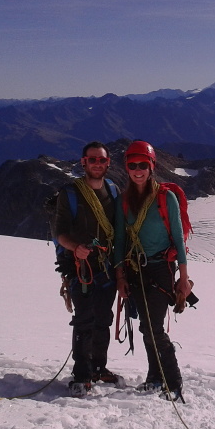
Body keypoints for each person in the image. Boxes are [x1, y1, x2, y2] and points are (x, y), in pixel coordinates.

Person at [114, 140, 191, 402]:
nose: (138, 170)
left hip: (160, 270)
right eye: (133, 165)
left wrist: (184, 277)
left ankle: (172, 380)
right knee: (148, 326)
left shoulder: (165, 198)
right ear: (127, 168)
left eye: (142, 165)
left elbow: (179, 240)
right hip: (137, 271)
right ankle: (155, 377)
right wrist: (121, 276)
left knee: (153, 327)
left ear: (151, 167)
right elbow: (120, 242)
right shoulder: (124, 201)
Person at [54, 141, 122, 397]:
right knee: (84, 320)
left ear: (108, 163)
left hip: (105, 268)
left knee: (103, 319)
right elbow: (59, 232)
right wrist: (76, 248)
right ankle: (82, 374)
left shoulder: (113, 190)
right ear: (83, 162)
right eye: (92, 159)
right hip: (81, 269)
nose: (97, 164)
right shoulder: (69, 194)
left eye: (101, 160)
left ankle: (97, 367)